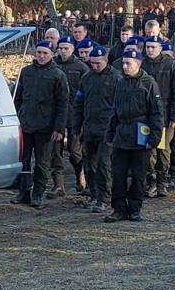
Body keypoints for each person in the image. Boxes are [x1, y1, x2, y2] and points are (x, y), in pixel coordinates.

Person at [11, 40, 70, 209]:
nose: (41, 56)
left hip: (46, 127)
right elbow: (18, 97)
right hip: (26, 123)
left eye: (45, 53)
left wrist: (59, 128)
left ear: (52, 54)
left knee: (42, 162)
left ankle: (38, 193)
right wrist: (16, 118)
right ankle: (24, 191)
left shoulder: (58, 75)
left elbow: (63, 104)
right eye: (39, 53)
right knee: (24, 160)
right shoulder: (26, 72)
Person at [107, 49, 163, 223]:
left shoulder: (148, 83)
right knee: (118, 175)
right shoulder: (120, 83)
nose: (124, 66)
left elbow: (156, 112)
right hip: (122, 134)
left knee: (139, 175)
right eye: (123, 63)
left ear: (138, 64)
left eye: (128, 63)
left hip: (140, 133)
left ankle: (135, 208)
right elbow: (115, 109)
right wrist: (110, 132)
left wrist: (154, 137)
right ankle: (118, 208)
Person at [73, 45, 122, 213]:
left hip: (107, 129)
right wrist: (76, 127)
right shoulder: (87, 78)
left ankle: (104, 197)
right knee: (89, 164)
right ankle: (93, 194)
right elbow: (79, 104)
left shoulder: (116, 78)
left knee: (103, 164)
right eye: (93, 63)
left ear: (106, 61)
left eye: (98, 63)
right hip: (89, 128)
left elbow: (120, 106)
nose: (95, 66)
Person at [141, 36, 175, 198]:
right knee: (149, 150)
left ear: (160, 48)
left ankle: (162, 181)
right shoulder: (142, 65)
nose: (150, 50)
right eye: (148, 47)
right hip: (146, 117)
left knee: (163, 150)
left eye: (153, 47)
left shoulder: (170, 66)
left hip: (166, 117)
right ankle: (151, 181)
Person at [51, 36, 90, 197]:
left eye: (66, 48)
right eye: (61, 48)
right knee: (55, 152)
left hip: (75, 114)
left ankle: (81, 177)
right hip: (56, 114)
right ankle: (58, 185)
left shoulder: (81, 67)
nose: (63, 51)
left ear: (73, 49)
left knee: (75, 151)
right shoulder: (52, 65)